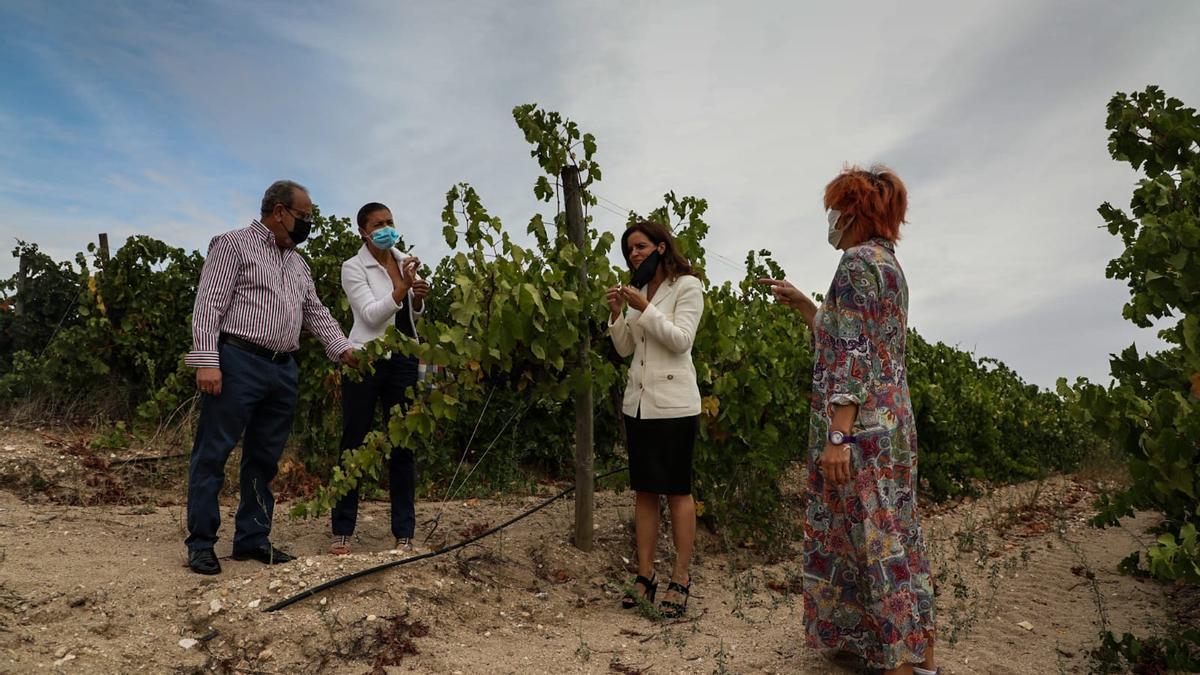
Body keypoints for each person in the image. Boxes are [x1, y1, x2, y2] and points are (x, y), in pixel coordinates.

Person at [760, 166, 938, 675]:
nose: (834, 219)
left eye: (839, 209)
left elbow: (854, 360)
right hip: (893, 427)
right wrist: (805, 306)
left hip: (860, 432)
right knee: (897, 536)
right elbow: (855, 339)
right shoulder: (889, 267)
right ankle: (923, 660)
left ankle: (899, 667)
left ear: (857, 211)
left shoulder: (856, 265)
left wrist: (838, 435)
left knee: (872, 544)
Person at [184, 180, 357, 575]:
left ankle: (252, 538)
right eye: (304, 216)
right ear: (279, 211)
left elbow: (315, 312)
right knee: (213, 453)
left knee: (264, 458)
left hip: (283, 369)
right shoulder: (233, 244)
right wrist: (208, 361)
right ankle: (201, 542)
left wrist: (343, 349)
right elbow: (208, 305)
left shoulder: (298, 263)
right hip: (238, 359)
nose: (308, 223)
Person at [606, 220, 704, 618]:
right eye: (630, 250)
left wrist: (644, 309)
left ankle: (680, 578)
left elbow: (681, 340)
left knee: (677, 492)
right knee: (645, 493)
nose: (635, 255)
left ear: (662, 248)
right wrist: (617, 316)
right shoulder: (638, 293)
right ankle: (645, 577)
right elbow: (627, 348)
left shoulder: (687, 286)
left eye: (642, 247)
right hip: (639, 405)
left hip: (676, 405)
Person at [329, 202, 430, 555]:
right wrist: (401, 290)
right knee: (354, 442)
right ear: (363, 231)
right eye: (378, 223)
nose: (386, 227)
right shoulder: (352, 267)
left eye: (390, 221)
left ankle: (404, 532)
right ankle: (342, 529)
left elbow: (410, 317)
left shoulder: (405, 261)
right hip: (366, 360)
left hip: (402, 359)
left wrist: (417, 298)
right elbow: (371, 316)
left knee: (402, 445)